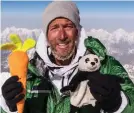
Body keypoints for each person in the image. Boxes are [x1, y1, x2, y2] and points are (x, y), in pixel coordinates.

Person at [0, 1, 134, 113]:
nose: (62, 36)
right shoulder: (29, 74)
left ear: (77, 31)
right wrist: (9, 107)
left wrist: (118, 103)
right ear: (46, 35)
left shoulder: (105, 66)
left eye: (68, 26)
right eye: (54, 28)